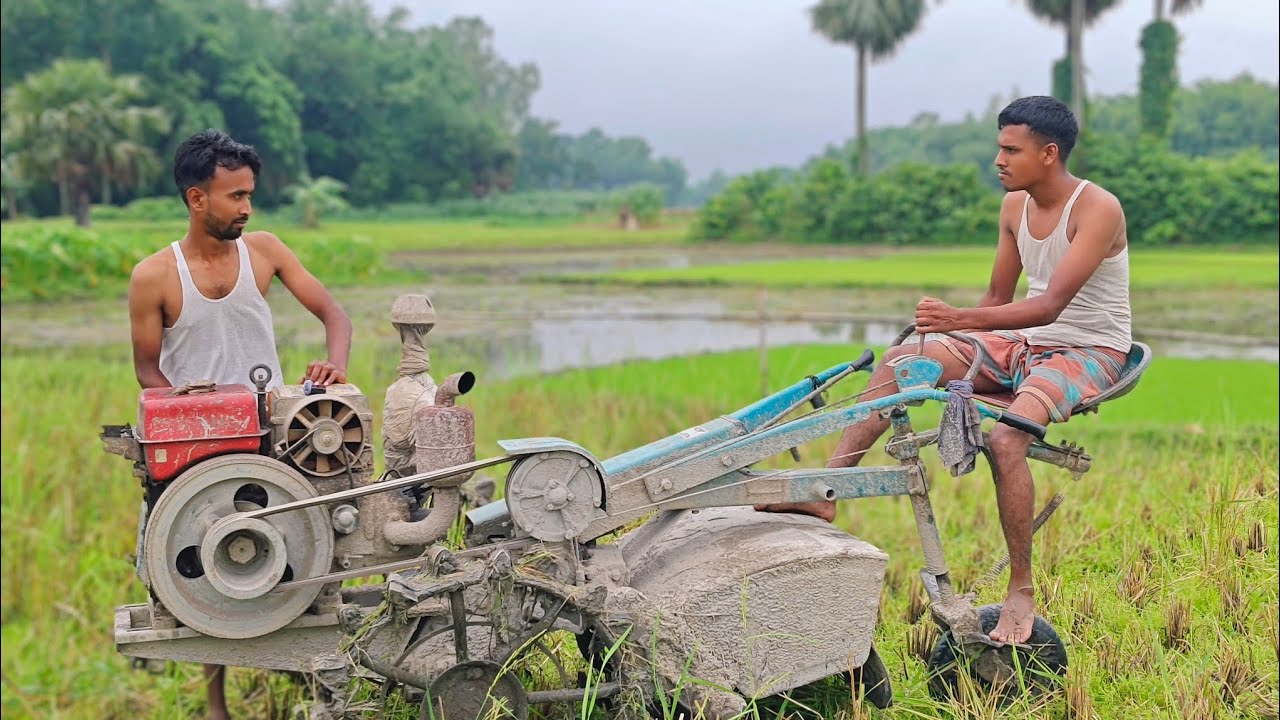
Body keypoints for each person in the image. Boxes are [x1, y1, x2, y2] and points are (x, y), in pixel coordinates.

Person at [758, 95, 1131, 646]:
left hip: (1087, 351)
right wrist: (946, 338)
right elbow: (999, 298)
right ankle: (826, 489)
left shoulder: (1097, 209)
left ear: (1049, 154)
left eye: (1011, 150)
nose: (999, 160)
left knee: (1007, 442)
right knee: (910, 360)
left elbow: (1050, 305)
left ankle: (1021, 588)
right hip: (1023, 343)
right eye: (999, 147)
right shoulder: (1014, 209)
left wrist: (959, 317)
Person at [127, 129, 353, 720]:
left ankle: (313, 681)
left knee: (299, 549)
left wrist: (336, 366)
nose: (246, 208)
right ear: (197, 198)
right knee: (203, 568)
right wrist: (182, 397)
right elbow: (148, 371)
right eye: (234, 197)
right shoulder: (154, 276)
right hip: (198, 443)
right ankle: (216, 700)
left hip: (272, 433)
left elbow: (334, 315)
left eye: (250, 195)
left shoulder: (267, 252)